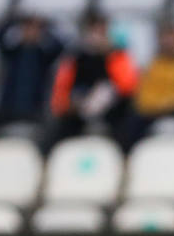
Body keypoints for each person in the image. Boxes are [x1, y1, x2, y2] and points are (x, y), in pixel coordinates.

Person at [0, 13, 65, 148]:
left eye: (34, 29)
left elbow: (60, 45)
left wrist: (45, 26)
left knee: (54, 134)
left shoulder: (43, 55)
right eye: (27, 28)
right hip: (8, 109)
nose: (31, 32)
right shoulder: (13, 52)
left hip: (35, 110)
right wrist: (15, 21)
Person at [44, 10, 139, 151]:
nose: (97, 36)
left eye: (101, 31)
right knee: (58, 131)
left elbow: (127, 86)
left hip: (113, 110)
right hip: (78, 109)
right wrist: (70, 104)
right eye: (94, 30)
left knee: (127, 126)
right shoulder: (75, 57)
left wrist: (110, 56)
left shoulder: (118, 55)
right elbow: (61, 90)